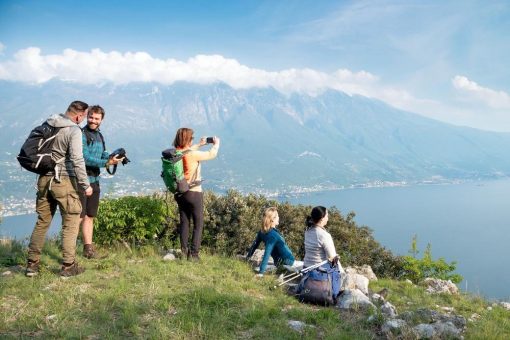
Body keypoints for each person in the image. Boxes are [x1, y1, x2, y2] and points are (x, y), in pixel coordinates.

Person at [25, 101, 93, 277]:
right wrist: (86, 185)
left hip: (43, 179)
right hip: (63, 180)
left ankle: (32, 265)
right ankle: (68, 266)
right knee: (70, 222)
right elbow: (77, 160)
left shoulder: (49, 123)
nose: (83, 120)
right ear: (79, 115)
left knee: (42, 222)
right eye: (84, 117)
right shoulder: (73, 130)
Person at [80, 105, 123, 259]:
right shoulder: (81, 134)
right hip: (82, 181)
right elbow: (83, 158)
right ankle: (69, 251)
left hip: (95, 180)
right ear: (87, 117)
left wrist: (112, 159)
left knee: (90, 216)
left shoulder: (100, 136)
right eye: (91, 117)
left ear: (101, 120)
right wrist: (106, 163)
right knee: (78, 216)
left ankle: (88, 249)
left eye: (96, 118)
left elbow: (103, 154)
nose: (93, 120)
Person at [173, 127, 220, 261]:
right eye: (192, 138)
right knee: (198, 224)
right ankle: (194, 255)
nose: (193, 140)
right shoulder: (192, 154)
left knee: (184, 222)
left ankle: (183, 252)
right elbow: (211, 155)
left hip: (180, 192)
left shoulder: (177, 152)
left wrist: (199, 144)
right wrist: (216, 145)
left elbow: (188, 150)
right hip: (194, 193)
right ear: (188, 139)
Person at [246, 207, 303, 276]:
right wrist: (261, 272)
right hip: (289, 264)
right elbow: (267, 253)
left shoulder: (262, 232)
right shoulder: (273, 235)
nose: (279, 218)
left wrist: (247, 258)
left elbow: (254, 246)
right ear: (273, 219)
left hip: (280, 263)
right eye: (277, 216)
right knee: (311, 266)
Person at [303, 206, 345, 273]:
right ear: (322, 218)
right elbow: (333, 258)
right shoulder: (324, 235)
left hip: (306, 268)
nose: (327, 219)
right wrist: (342, 273)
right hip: (319, 272)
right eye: (327, 216)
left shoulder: (307, 231)